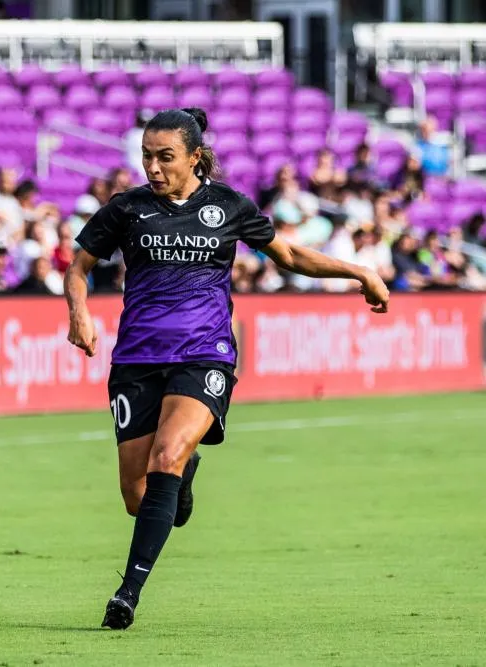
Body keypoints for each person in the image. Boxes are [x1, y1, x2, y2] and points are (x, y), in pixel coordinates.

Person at [63, 108, 390, 631]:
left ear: (195, 156)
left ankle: (127, 593)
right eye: (147, 155)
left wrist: (359, 272)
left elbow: (288, 255)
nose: (153, 166)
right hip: (136, 360)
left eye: (165, 157)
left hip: (204, 354)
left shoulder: (228, 206)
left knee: (165, 456)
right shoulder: (127, 208)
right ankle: (184, 475)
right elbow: (77, 267)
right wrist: (78, 311)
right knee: (137, 496)